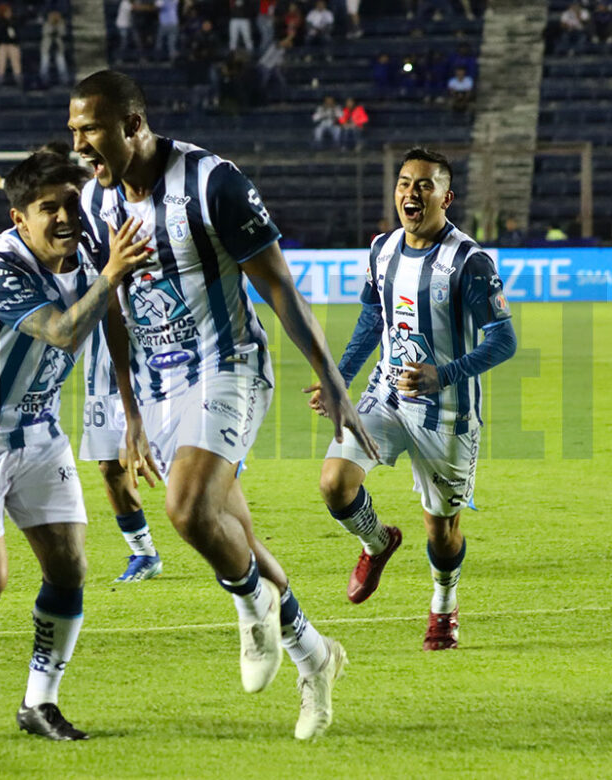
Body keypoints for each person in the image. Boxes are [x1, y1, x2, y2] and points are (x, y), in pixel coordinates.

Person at [69, 70, 374, 739]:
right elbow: (114, 311)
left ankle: (249, 608)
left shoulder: (212, 184)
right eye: (74, 131)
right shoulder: (97, 204)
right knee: (232, 534)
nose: (82, 144)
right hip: (161, 383)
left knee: (184, 509)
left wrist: (337, 381)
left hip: (229, 365)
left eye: (91, 129)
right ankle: (315, 657)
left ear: (133, 125)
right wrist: (129, 412)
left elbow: (281, 289)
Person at [0, 148, 152, 741]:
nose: (66, 216)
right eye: (49, 207)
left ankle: (39, 703)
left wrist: (131, 412)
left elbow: (112, 317)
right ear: (20, 218)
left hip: (39, 432)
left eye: (72, 202)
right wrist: (111, 276)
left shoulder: (93, 251)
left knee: (70, 568)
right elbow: (64, 327)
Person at [310, 147, 516, 652]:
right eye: (404, 183)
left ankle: (444, 607)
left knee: (441, 530)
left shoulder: (468, 261)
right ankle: (377, 542)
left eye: (424, 185)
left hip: (447, 412)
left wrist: (443, 374)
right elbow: (370, 321)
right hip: (387, 395)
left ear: (447, 196)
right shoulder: (382, 250)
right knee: (335, 482)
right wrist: (339, 381)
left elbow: (503, 340)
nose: (411, 193)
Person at [0, 144, 168, 581]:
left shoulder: (112, 210)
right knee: (109, 464)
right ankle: (143, 552)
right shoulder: (63, 242)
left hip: (162, 347)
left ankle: (224, 532)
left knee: (185, 464)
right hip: (103, 349)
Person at [0, 4, 23, 87]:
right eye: (7, 12)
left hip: (13, 44)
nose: (9, 14)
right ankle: (0, 79)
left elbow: (16, 36)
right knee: (1, 58)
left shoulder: (14, 22)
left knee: (15, 57)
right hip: (2, 44)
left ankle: (18, 79)